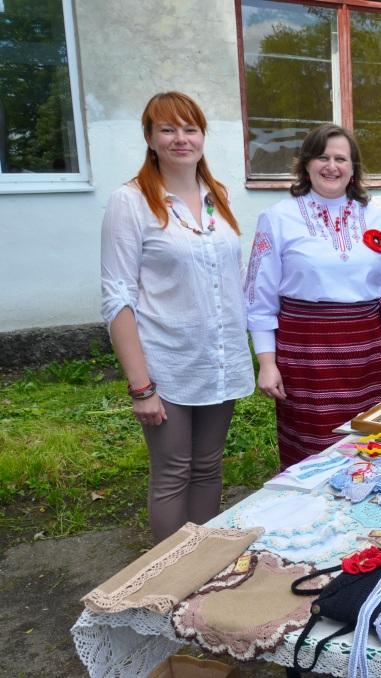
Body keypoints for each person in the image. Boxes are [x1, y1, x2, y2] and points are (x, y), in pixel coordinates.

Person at [100, 92, 255, 542]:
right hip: (166, 364)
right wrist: (141, 386)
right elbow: (118, 298)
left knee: (208, 466)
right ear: (150, 138)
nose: (181, 139)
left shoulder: (217, 196)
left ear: (203, 135)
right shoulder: (130, 202)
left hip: (218, 359)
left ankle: (201, 565)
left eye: (190, 128)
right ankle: (170, 570)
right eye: (168, 129)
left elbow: (232, 278)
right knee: (172, 471)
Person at [245, 124, 381, 469]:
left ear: (352, 168)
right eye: (322, 157)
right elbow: (260, 300)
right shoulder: (278, 218)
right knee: (314, 452)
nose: (331, 166)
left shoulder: (374, 216)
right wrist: (267, 364)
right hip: (307, 354)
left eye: (340, 159)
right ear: (306, 165)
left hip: (369, 354)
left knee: (373, 443)